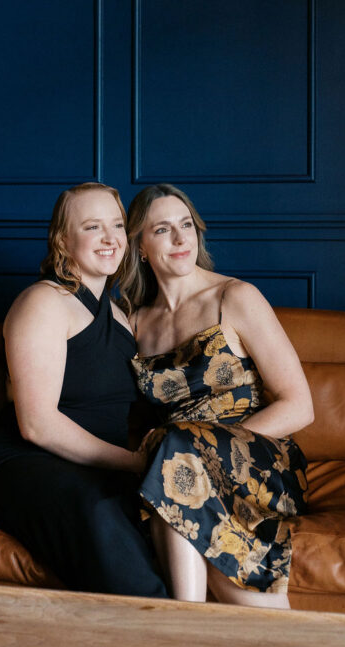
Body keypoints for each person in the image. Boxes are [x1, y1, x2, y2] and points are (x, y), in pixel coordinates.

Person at [118, 183, 314, 608]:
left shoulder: (235, 298)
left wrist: (212, 448)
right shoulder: (134, 322)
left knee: (176, 451)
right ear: (140, 247)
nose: (180, 238)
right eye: (163, 230)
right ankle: (194, 624)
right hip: (180, 470)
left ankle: (182, 622)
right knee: (172, 460)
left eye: (187, 225)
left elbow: (300, 405)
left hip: (260, 462)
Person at [0, 182, 167, 598]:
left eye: (117, 224)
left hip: (101, 466)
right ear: (63, 240)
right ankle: (160, 642)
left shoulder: (123, 316)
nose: (111, 238)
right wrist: (134, 463)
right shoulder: (43, 302)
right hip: (29, 462)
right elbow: (37, 425)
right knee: (99, 512)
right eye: (93, 226)